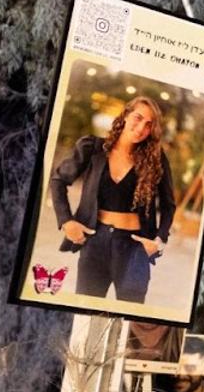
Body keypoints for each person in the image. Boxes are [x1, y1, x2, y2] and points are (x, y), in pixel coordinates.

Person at [50, 97, 177, 306]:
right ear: (126, 115)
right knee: (86, 313)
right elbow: (58, 180)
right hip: (94, 242)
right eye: (138, 118)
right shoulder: (93, 148)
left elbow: (168, 205)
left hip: (135, 248)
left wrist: (158, 241)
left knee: (129, 317)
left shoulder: (156, 159)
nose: (142, 128)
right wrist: (67, 221)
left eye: (149, 125)